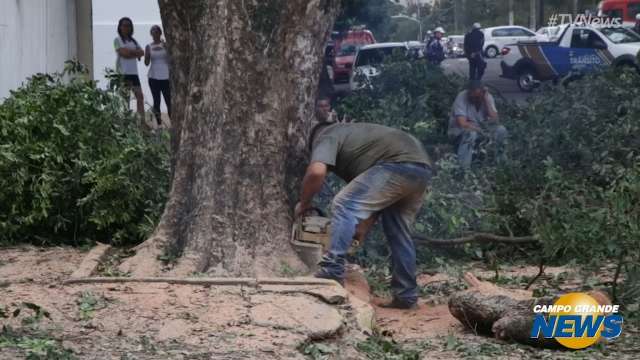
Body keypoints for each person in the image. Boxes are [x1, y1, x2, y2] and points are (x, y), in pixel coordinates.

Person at [295, 122, 433, 309]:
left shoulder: (326, 135)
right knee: (398, 233)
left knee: (343, 204)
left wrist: (304, 205)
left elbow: (316, 172)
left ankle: (332, 269)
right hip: (421, 170)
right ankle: (406, 295)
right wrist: (361, 229)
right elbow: (375, 201)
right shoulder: (358, 141)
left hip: (397, 164)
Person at [448, 80, 508, 168]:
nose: (473, 99)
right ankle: (463, 169)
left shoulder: (487, 97)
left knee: (501, 130)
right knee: (470, 133)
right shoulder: (462, 96)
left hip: (480, 130)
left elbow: (495, 121)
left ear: (483, 94)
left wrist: (487, 101)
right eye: (471, 96)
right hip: (459, 133)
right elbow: (463, 123)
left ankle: (500, 164)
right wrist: (480, 130)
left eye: (477, 97)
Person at [114, 17, 145, 119]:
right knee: (125, 100)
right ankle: (126, 124)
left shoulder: (133, 41)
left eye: (129, 25)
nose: (127, 27)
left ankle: (142, 123)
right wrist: (135, 54)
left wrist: (130, 53)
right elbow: (124, 54)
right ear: (120, 27)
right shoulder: (117, 40)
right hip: (123, 73)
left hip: (134, 74)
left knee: (140, 97)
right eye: (124, 25)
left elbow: (142, 52)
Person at [145, 25, 171, 127]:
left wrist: (166, 47)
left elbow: (171, 59)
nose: (155, 34)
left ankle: (172, 124)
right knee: (156, 101)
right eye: (153, 32)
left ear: (160, 33)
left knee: (169, 101)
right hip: (153, 77)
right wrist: (146, 55)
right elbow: (146, 63)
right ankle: (159, 124)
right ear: (151, 34)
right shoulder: (149, 46)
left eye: (157, 32)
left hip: (166, 77)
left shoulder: (166, 45)